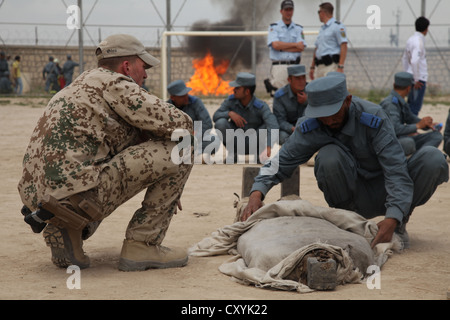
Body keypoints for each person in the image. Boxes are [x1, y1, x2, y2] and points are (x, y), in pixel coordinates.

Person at [18, 34, 194, 272]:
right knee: (181, 150)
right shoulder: (115, 83)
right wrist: (171, 178)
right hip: (77, 195)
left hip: (38, 200)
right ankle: (143, 244)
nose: (146, 75)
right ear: (126, 66)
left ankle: (68, 227)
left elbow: (113, 140)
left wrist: (165, 180)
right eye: (143, 67)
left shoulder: (81, 84)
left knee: (109, 153)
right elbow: (182, 123)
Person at [242, 76, 448, 250]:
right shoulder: (311, 125)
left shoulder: (372, 117)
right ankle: (349, 223)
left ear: (348, 100)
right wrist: (257, 192)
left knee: (433, 158)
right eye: (322, 115)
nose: (329, 120)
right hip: (352, 197)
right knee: (328, 156)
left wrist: (394, 217)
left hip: (386, 188)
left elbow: (396, 171)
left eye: (334, 112)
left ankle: (398, 224)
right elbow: (282, 161)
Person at [213, 72, 279, 163]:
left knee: (266, 126)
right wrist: (229, 113)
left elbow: (273, 125)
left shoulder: (261, 106)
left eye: (237, 88)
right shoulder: (231, 101)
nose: (234, 90)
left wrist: (269, 146)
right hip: (237, 142)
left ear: (247, 92)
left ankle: (260, 154)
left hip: (254, 142)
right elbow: (216, 116)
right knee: (221, 123)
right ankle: (233, 153)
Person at [380, 72, 442, 156]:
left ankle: (420, 157)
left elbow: (411, 118)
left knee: (436, 136)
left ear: (394, 85)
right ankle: (417, 160)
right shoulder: (390, 104)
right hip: (389, 143)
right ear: (409, 88)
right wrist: (418, 126)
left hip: (400, 139)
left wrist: (426, 124)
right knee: (409, 142)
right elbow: (395, 129)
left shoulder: (400, 101)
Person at [167, 79, 217, 159]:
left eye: (186, 94)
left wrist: (194, 135)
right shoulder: (167, 107)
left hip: (196, 138)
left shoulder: (196, 102)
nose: (186, 97)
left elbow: (207, 123)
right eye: (182, 96)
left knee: (214, 140)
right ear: (173, 98)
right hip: (177, 141)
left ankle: (190, 155)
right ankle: (196, 156)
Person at [266, 0, 306, 95]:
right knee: (279, 95)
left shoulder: (298, 28)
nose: (288, 12)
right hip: (280, 67)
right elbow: (275, 45)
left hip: (294, 66)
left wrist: (281, 47)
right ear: (281, 11)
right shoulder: (274, 27)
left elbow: (301, 47)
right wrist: (295, 45)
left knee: (296, 95)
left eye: (290, 10)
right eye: (286, 9)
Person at [309, 2, 348, 80]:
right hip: (320, 66)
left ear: (323, 13)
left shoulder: (337, 26)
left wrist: (340, 66)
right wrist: (312, 66)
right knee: (319, 91)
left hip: (331, 66)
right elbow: (317, 48)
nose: (319, 15)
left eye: (319, 12)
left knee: (330, 90)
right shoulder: (322, 29)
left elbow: (344, 45)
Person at [273, 64, 308, 145]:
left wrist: (307, 101)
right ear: (289, 80)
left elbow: (319, 111)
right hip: (289, 130)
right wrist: (293, 129)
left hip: (308, 128)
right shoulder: (280, 96)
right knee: (282, 137)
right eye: (297, 78)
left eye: (303, 77)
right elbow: (280, 120)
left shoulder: (311, 91)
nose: (302, 81)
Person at [402, 17, 430, 116]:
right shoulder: (418, 42)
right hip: (418, 79)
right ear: (426, 28)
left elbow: (405, 59)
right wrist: (416, 79)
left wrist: (407, 74)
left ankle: (410, 130)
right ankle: (412, 131)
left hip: (411, 76)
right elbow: (414, 61)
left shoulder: (410, 40)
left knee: (410, 106)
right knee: (414, 107)